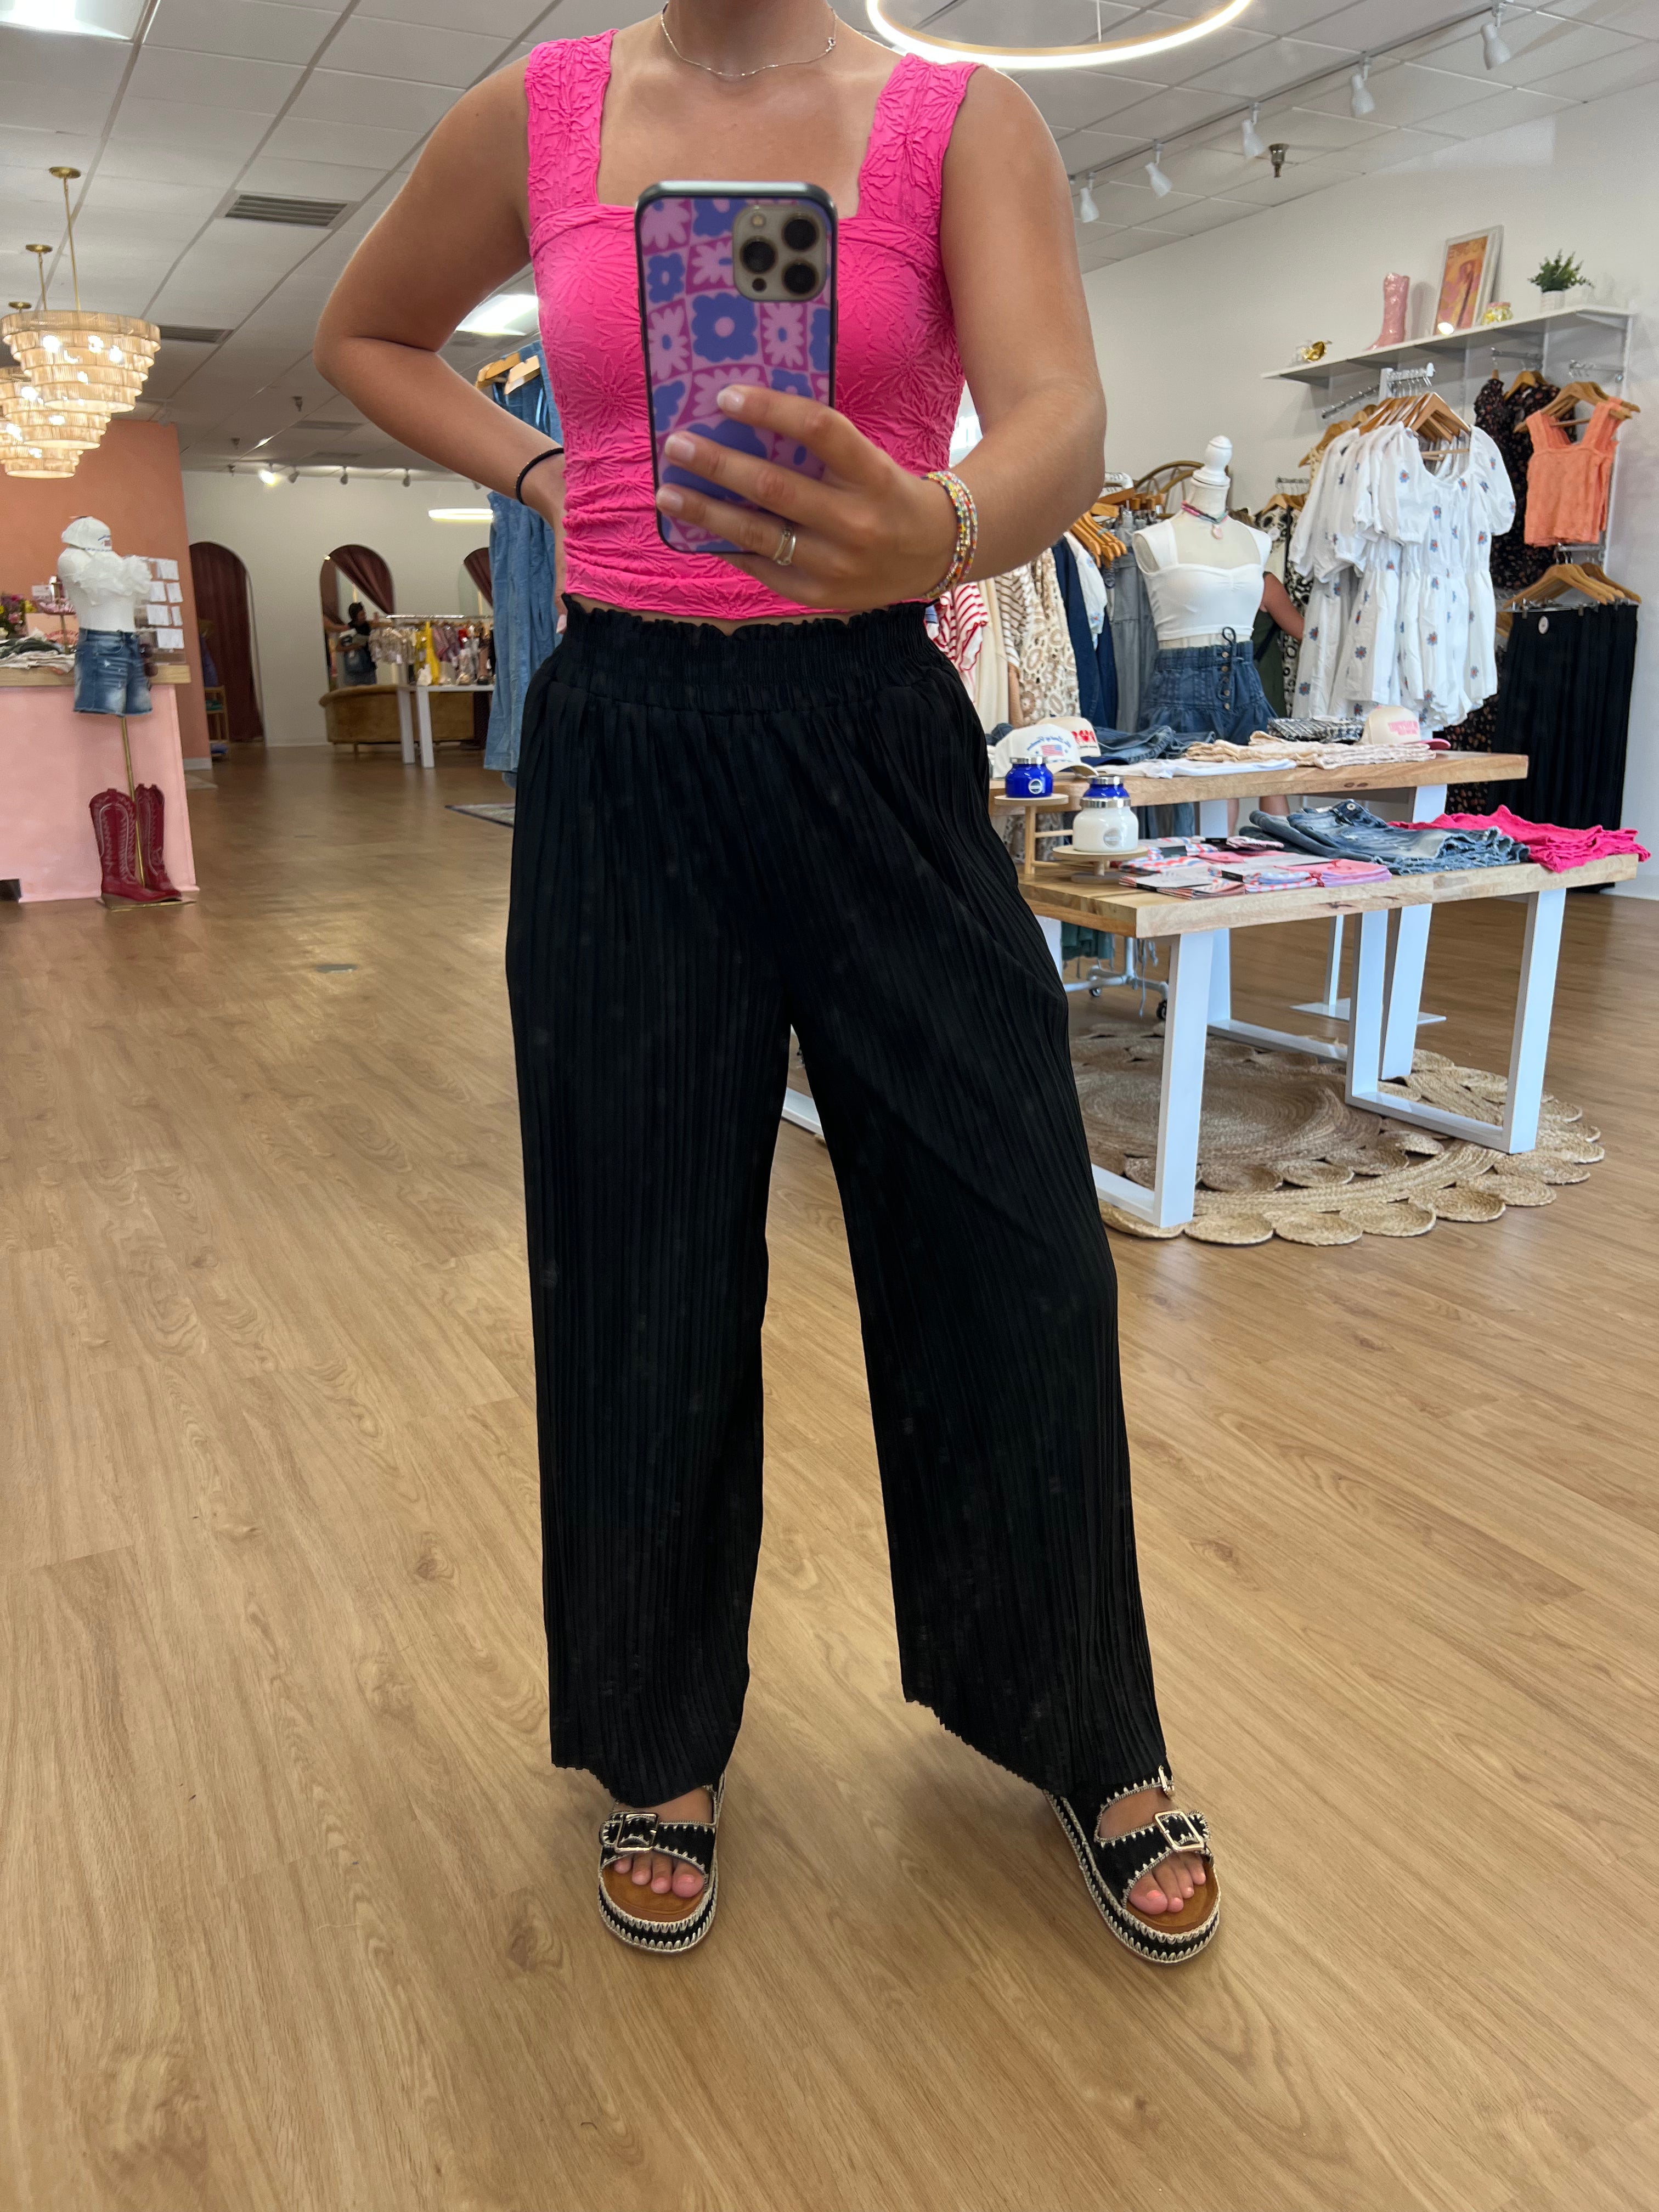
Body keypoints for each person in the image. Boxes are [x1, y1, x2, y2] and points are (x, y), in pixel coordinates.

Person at [314, 0, 1218, 1965]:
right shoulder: (536, 111)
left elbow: (1059, 415)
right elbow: (364, 333)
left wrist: (940, 523)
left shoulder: (958, 119)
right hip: (627, 736)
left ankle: (1083, 1713)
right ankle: (658, 1737)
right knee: (636, 1254)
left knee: (1013, 1242)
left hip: (873, 721)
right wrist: (544, 470)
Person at [337, 601, 376, 686]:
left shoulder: (369, 626)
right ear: (355, 617)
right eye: (361, 615)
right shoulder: (347, 629)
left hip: (369, 668)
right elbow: (338, 648)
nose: (364, 617)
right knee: (353, 694)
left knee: (372, 693)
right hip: (353, 671)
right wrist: (353, 647)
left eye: (364, 614)